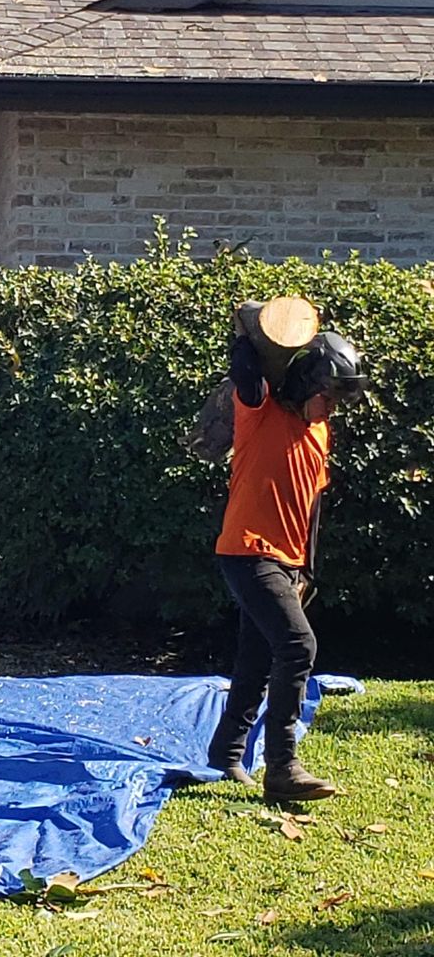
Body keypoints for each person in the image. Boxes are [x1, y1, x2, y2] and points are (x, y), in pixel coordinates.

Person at [207, 326, 367, 801]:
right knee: (298, 646)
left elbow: (311, 508)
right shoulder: (259, 413)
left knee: (257, 657)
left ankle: (227, 751)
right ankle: (282, 766)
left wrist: (306, 572)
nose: (332, 408)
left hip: (285, 559)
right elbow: (248, 372)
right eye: (328, 396)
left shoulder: (319, 431)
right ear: (304, 385)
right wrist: (254, 325)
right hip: (247, 551)